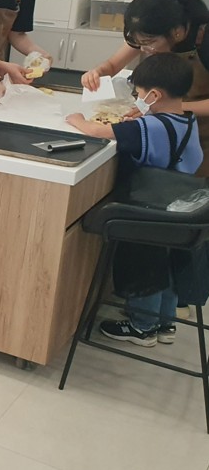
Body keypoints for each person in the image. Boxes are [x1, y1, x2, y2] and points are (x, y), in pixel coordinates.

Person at [67, 53, 202, 346]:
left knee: (145, 264)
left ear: (154, 95)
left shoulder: (150, 127)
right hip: (179, 208)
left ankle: (143, 327)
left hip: (149, 210)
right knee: (165, 262)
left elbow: (98, 130)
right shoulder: (188, 120)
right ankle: (165, 323)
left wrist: (77, 120)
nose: (138, 99)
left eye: (139, 94)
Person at [81, 0, 209, 176]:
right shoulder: (149, 31)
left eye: (149, 43)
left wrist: (170, 107)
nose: (144, 49)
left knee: (190, 185)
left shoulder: (204, 42)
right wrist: (97, 72)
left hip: (200, 132)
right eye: (139, 43)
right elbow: (112, 65)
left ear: (176, 32)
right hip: (162, 125)